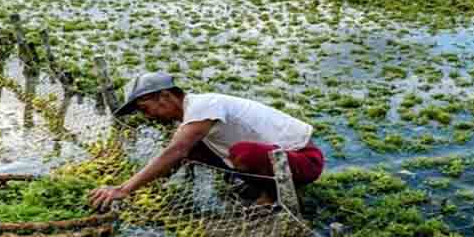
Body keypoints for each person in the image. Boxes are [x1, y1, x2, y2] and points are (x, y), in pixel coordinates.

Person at [89, 72, 324, 211]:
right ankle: (259, 185)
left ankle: (274, 197)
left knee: (242, 152)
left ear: (165, 96)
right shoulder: (190, 116)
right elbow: (179, 154)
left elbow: (175, 151)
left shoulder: (203, 105)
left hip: (305, 160)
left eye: (145, 108)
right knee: (195, 148)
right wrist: (154, 186)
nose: (147, 115)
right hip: (278, 160)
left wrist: (123, 189)